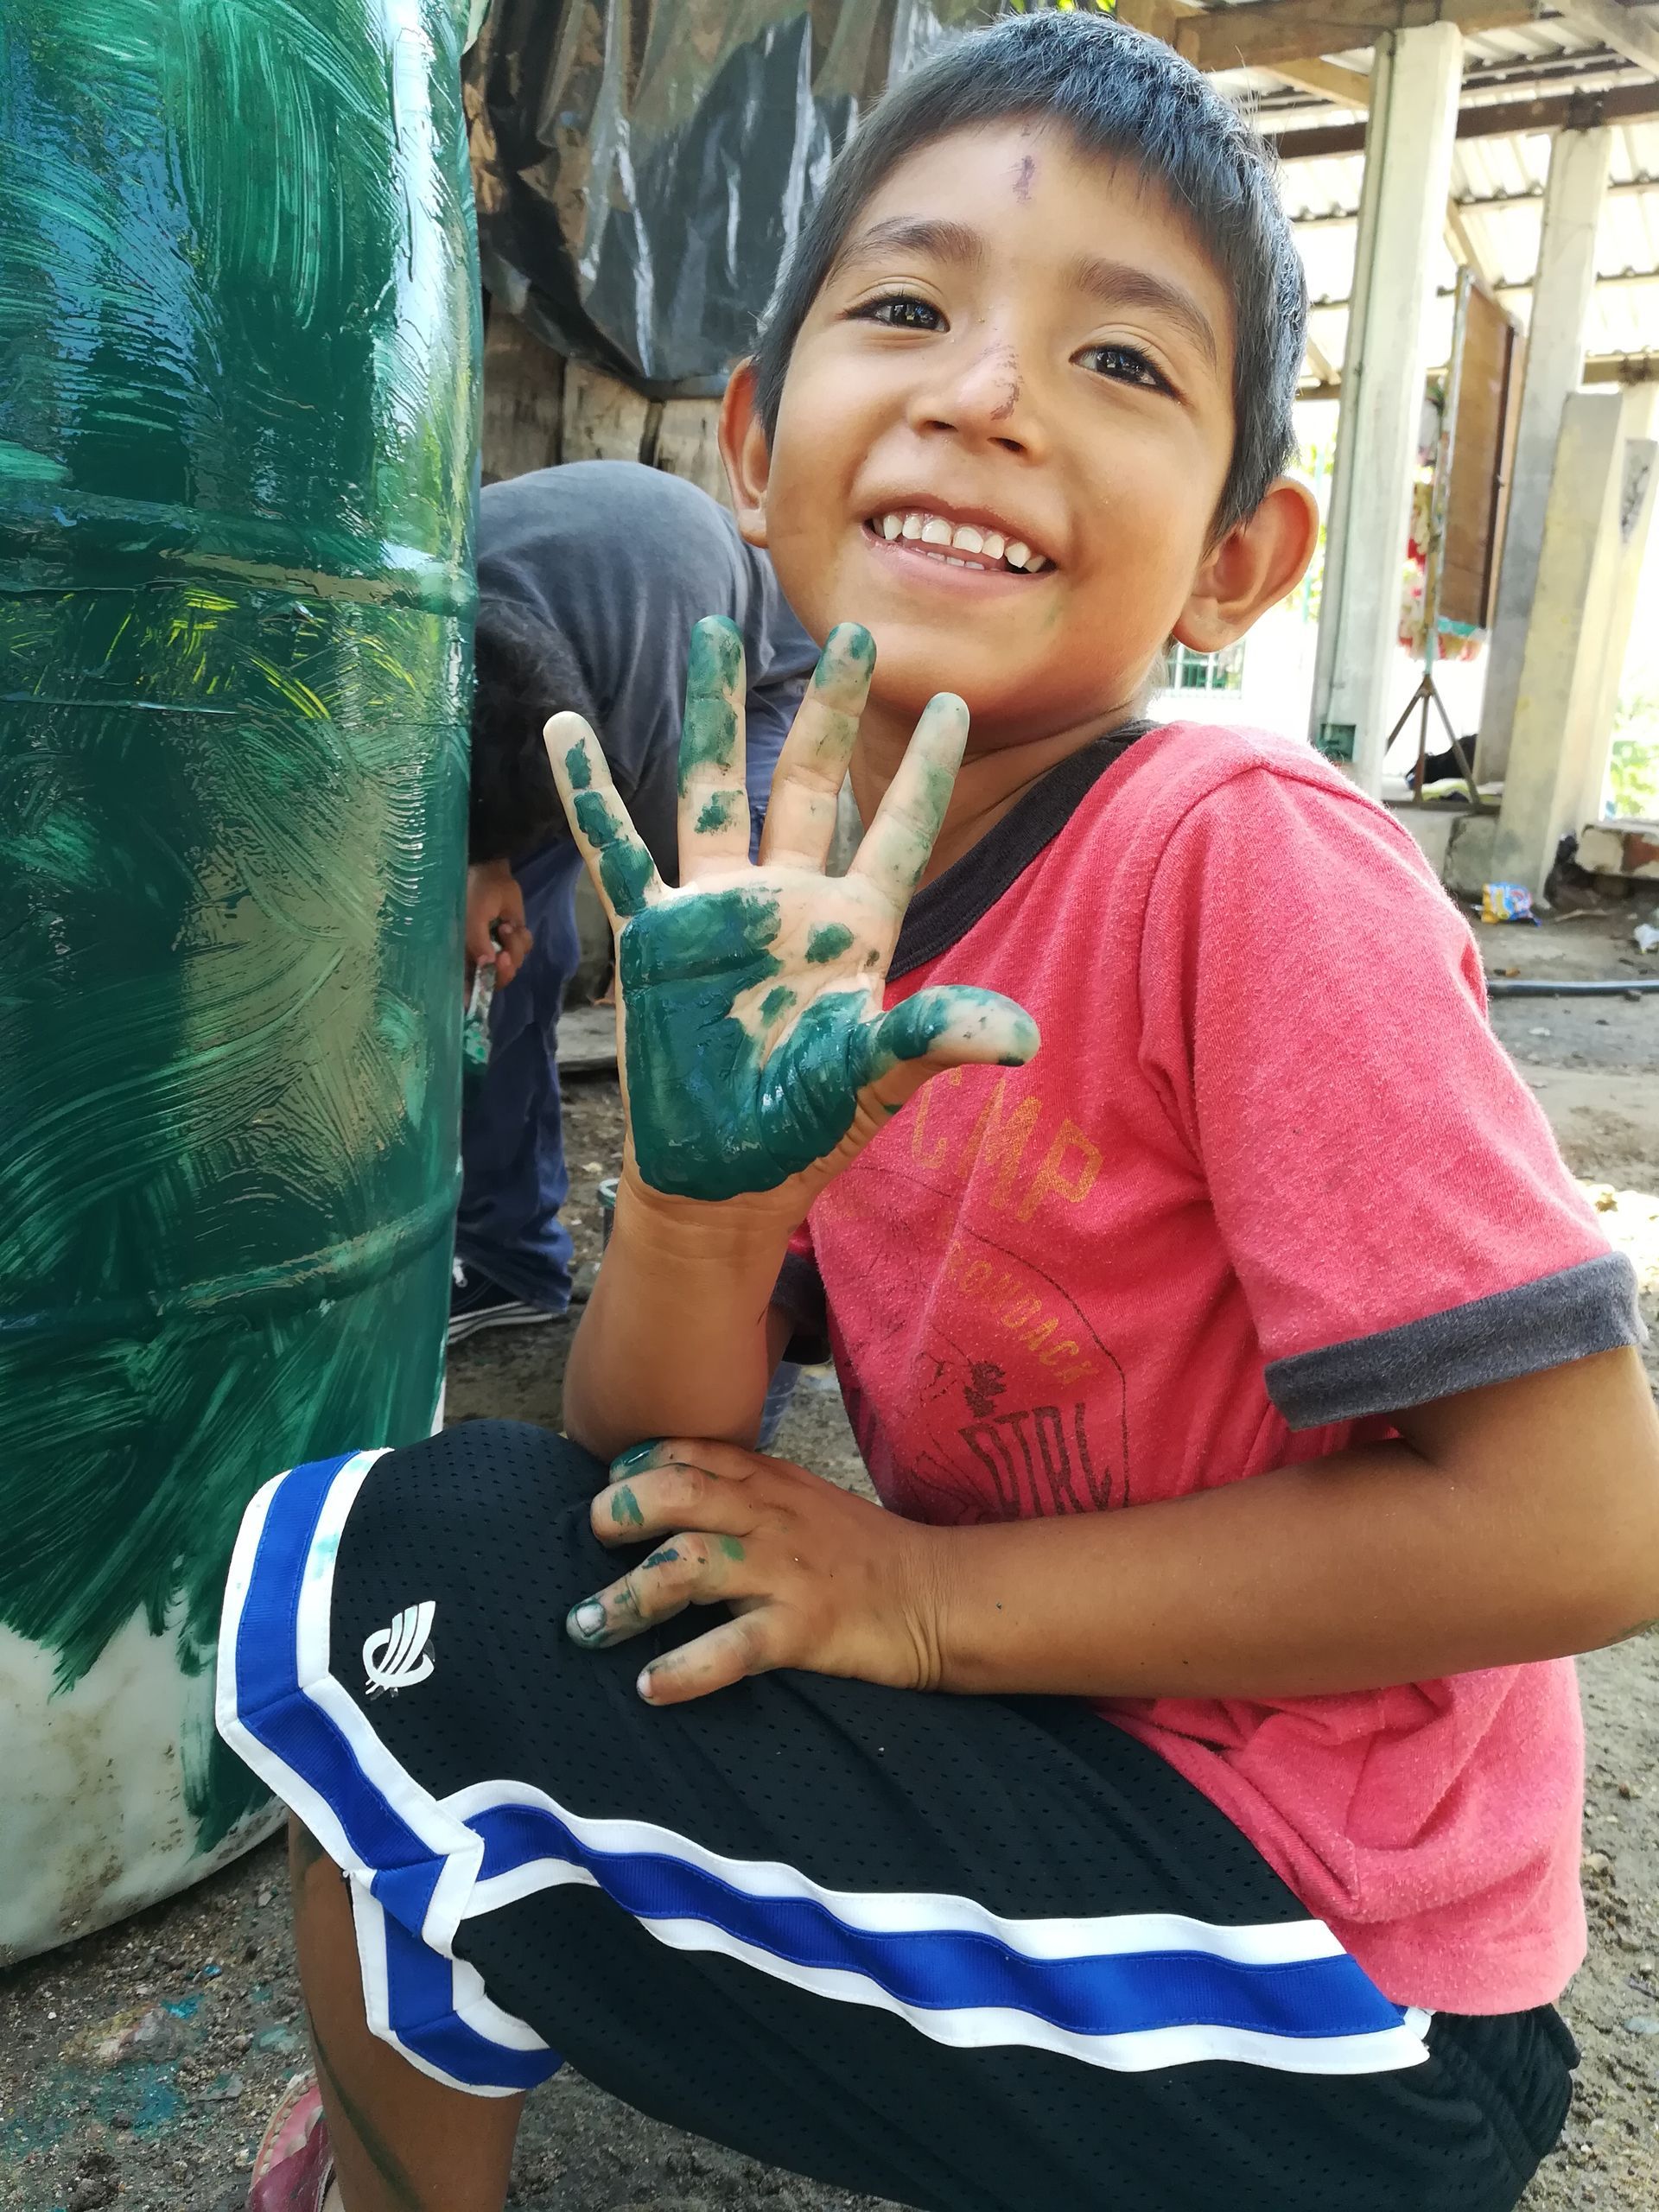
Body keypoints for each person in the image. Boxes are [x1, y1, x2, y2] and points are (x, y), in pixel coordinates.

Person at [221, 17, 1659, 2212]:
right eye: (904, 308)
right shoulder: (799, 894)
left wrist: (911, 1602)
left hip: (1350, 1998)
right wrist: (701, 1211)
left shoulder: (1235, 854)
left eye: (1121, 364)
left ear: (1241, 559)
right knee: (482, 1552)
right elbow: (637, 1457)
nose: (985, 392)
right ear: (752, 436)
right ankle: (438, 1999)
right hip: (1093, 1796)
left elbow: (1584, 1524)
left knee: (382, 1610)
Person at [450, 458, 818, 1342]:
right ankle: (510, 1257)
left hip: (755, 672)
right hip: (554, 647)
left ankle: (762, 1289)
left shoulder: (668, 679)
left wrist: (643, 966)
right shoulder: (414, 626)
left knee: (729, 966)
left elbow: (680, 901)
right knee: (492, 969)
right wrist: (481, 864)